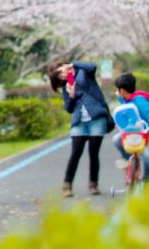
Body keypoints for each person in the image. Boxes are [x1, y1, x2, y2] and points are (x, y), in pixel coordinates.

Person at [48, 60, 113, 197]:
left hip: (96, 118)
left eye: (62, 72)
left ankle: (93, 184)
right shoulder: (68, 85)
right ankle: (67, 184)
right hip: (79, 122)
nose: (63, 76)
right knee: (76, 153)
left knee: (93, 153)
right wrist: (71, 96)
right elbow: (69, 108)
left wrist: (72, 65)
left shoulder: (84, 72)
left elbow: (92, 66)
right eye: (60, 77)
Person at [112, 73, 149, 183]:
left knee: (148, 157)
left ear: (123, 91)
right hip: (128, 134)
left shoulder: (140, 101)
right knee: (116, 140)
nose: (117, 92)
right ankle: (129, 161)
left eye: (118, 89)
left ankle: (147, 179)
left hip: (141, 134)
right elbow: (121, 109)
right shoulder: (124, 98)